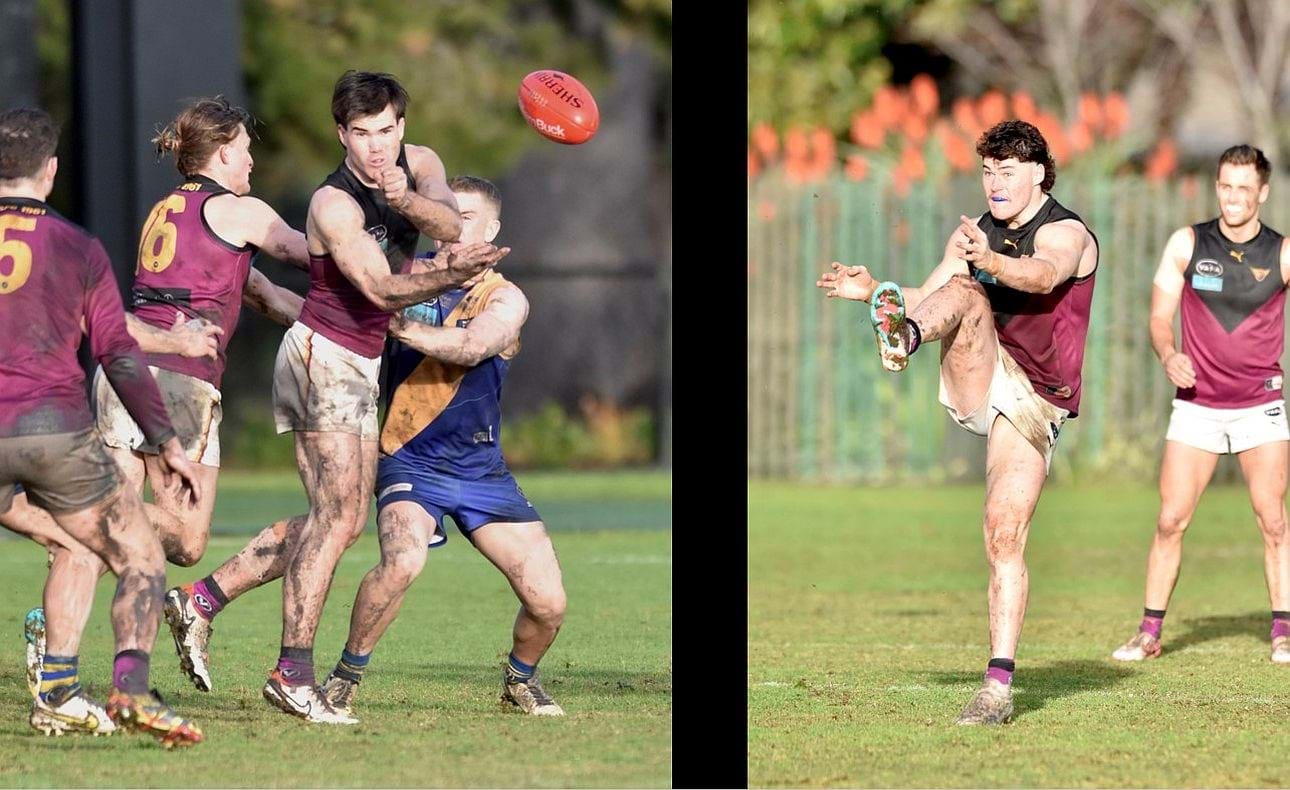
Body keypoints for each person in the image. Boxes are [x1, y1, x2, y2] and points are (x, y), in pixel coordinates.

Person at [164, 70, 508, 724]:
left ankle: (202, 600)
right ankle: (292, 672)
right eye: (360, 134)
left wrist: (407, 198)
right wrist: (447, 271)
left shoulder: (421, 163)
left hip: (358, 361)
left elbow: (444, 218)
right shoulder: (333, 203)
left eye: (385, 132)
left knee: (342, 520)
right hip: (323, 356)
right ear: (340, 134)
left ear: (402, 127)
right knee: (334, 517)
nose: (375, 147)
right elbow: (380, 290)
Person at [5, 96, 309, 706]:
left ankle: (52, 634)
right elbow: (312, 254)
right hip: (178, 377)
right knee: (183, 539)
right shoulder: (239, 208)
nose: (252, 160)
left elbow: (263, 293)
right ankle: (107, 583)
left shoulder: (171, 209)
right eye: (247, 149)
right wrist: (371, 235)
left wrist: (353, 333)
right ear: (224, 152)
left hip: (121, 374)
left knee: (109, 515)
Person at [816, 120, 1099, 725]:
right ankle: (903, 342)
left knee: (1003, 530)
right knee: (965, 296)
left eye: (1008, 172)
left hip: (1036, 401)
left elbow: (1044, 275)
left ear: (1040, 175)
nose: (995, 183)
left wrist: (990, 259)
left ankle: (996, 687)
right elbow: (937, 293)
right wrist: (872, 291)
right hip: (982, 367)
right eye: (988, 171)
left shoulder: (1068, 232)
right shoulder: (975, 233)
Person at [312, 175, 566, 719]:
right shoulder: (403, 278)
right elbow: (332, 306)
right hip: (410, 459)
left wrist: (403, 331)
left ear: (492, 231)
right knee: (402, 562)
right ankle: (344, 677)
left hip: (481, 468)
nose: (454, 226)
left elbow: (475, 345)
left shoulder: (504, 296)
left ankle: (520, 680)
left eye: (467, 217)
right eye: (446, 212)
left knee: (548, 603)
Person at [0, 107, 204, 746]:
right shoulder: (76, 246)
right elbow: (116, 351)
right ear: (51, 171)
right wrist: (167, 443)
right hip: (52, 431)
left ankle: (59, 692)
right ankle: (130, 691)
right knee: (139, 555)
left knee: (73, 546)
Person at [1112, 145, 1290, 664]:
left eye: (1243, 188)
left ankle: (1282, 631)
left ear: (1262, 193)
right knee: (1170, 519)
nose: (1232, 197)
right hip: (1197, 406)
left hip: (1261, 407)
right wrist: (1168, 354)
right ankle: (1148, 633)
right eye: (1224, 185)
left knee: (1273, 520)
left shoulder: (1281, 253)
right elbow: (1158, 318)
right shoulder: (1188, 244)